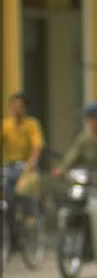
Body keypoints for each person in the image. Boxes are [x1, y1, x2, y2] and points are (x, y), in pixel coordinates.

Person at [2, 92, 45, 248]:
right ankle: (11, 232)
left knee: (27, 195)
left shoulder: (32, 124)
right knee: (7, 199)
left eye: (19, 106)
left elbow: (37, 145)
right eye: (14, 105)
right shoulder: (6, 125)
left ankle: (30, 219)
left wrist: (32, 162)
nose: (16, 109)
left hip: (26, 167)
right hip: (9, 166)